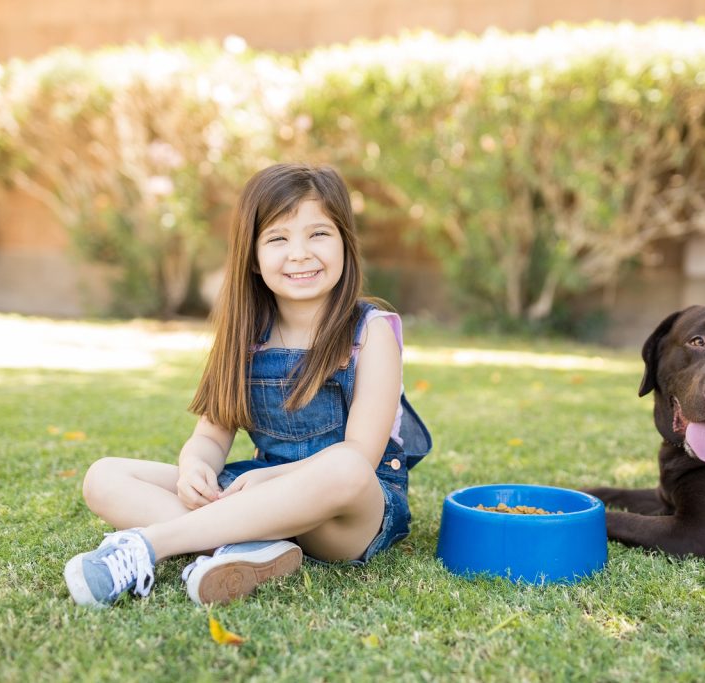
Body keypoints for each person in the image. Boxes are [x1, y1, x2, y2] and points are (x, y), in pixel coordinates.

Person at [65, 163, 432, 607]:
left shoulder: (370, 332)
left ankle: (153, 545)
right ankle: (253, 551)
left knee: (346, 470)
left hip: (346, 514)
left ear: (345, 244)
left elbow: (360, 455)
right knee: (105, 476)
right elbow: (210, 434)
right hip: (257, 493)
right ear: (253, 258)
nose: (299, 253)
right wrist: (194, 465)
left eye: (319, 233)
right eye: (278, 238)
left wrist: (270, 479)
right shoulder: (245, 333)